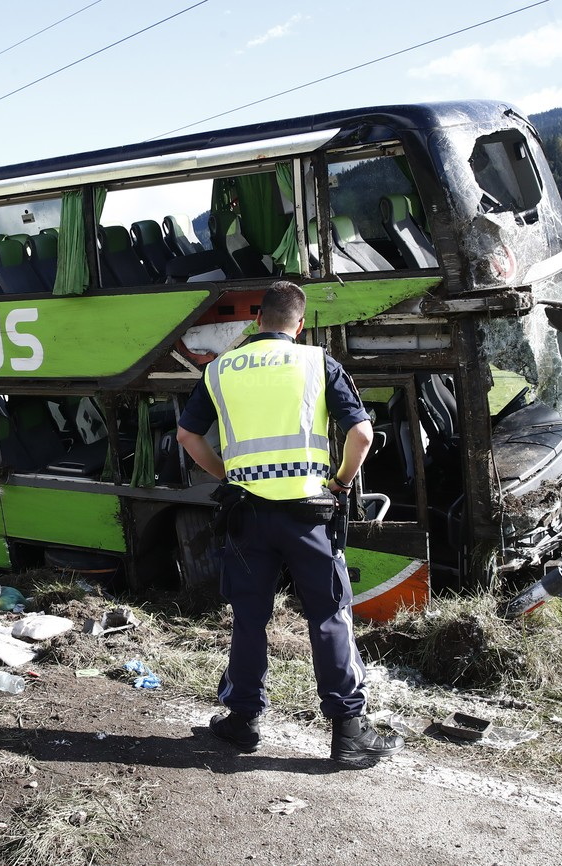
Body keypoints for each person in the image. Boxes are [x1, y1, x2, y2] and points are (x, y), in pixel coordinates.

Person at [175, 280, 403, 765]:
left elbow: (187, 436)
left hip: (246, 514)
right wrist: (340, 483)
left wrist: (227, 474)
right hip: (310, 515)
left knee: (249, 619)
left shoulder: (220, 370)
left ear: (258, 320)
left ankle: (242, 722)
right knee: (328, 615)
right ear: (299, 325)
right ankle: (348, 733)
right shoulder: (319, 362)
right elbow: (361, 435)